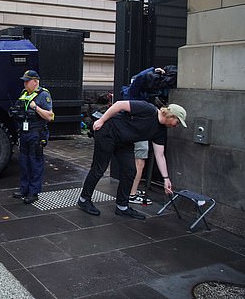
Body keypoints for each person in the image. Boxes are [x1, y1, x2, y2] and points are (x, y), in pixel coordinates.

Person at [77, 100, 187, 219]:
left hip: (125, 142)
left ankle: (122, 207)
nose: (176, 125)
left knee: (130, 171)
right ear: (171, 116)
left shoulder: (160, 131)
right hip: (108, 132)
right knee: (99, 168)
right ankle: (84, 199)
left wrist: (166, 179)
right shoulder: (149, 109)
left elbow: (159, 155)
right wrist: (102, 120)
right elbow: (119, 104)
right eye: (177, 122)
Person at [123, 67, 168, 206]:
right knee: (139, 163)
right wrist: (153, 69)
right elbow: (140, 78)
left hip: (135, 131)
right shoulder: (136, 91)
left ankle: (131, 191)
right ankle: (131, 194)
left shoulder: (138, 93)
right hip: (138, 132)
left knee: (138, 162)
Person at [9, 70, 54, 204]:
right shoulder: (24, 94)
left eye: (27, 81)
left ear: (35, 81)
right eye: (24, 81)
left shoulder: (43, 95)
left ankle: (33, 192)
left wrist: (36, 108)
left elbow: (50, 116)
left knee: (35, 162)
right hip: (24, 132)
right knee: (23, 162)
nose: (25, 83)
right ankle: (24, 189)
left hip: (36, 132)